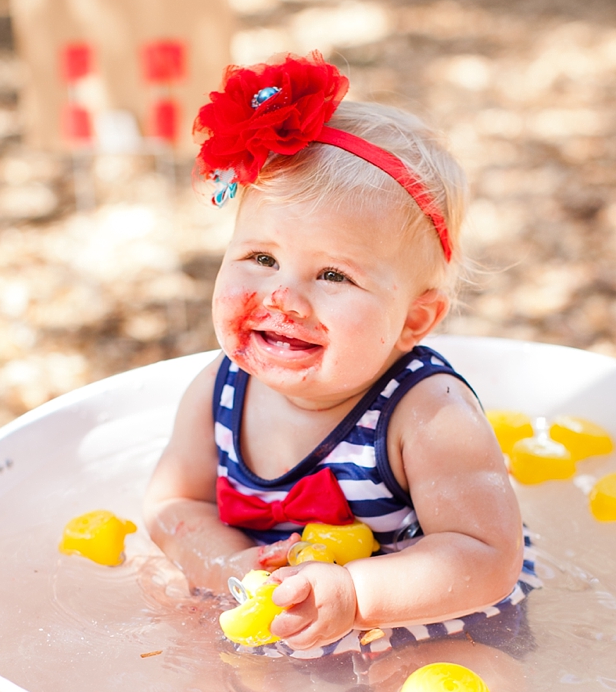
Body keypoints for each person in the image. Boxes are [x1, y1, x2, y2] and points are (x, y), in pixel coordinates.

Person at [144, 53, 537, 659]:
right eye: (263, 258)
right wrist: (230, 565)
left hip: (412, 623)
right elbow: (174, 503)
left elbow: (486, 556)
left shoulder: (428, 415)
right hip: (274, 611)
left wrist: (355, 593)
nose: (283, 297)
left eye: (333, 274)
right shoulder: (219, 390)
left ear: (414, 320)